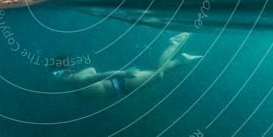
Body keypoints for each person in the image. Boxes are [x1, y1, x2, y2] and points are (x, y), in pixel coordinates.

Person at [50, 33, 202, 99]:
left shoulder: (78, 80)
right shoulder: (77, 81)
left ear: (65, 72)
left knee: (158, 75)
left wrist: (123, 73)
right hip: (120, 87)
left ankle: (173, 44)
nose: (55, 79)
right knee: (156, 73)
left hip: (122, 83)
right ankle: (182, 60)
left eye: (56, 74)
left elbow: (100, 75)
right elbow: (92, 70)